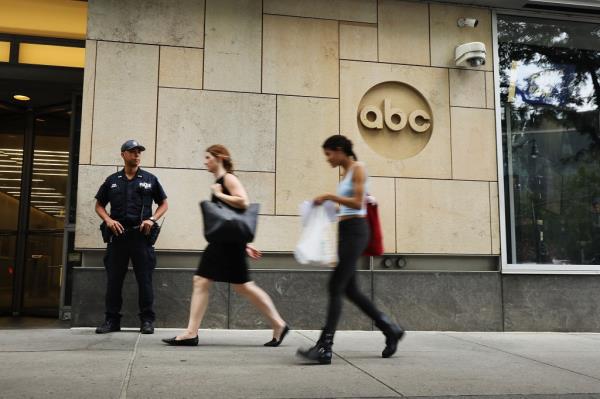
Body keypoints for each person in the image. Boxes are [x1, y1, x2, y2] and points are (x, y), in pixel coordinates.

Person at [162, 144, 289, 346]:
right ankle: (278, 324)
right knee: (229, 285)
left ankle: (191, 333)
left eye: (208, 157)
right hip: (227, 243)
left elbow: (243, 202)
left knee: (219, 283)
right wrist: (245, 245)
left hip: (225, 245)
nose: (205, 161)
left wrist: (218, 194)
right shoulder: (221, 180)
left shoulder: (228, 178)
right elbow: (231, 219)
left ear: (219, 157)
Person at [297, 135, 404, 364]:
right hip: (346, 231)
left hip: (356, 232)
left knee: (336, 286)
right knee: (351, 290)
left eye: (328, 154)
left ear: (339, 150)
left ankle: (325, 347)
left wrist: (328, 196)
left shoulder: (358, 168)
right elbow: (348, 208)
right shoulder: (346, 173)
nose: (327, 159)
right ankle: (390, 329)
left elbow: (357, 204)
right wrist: (329, 210)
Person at [94, 140, 168, 334]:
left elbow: (164, 204)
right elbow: (99, 205)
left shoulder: (150, 179)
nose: (136, 155)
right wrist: (108, 220)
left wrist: (151, 219)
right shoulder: (112, 181)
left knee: (144, 280)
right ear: (123, 155)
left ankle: (147, 321)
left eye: (139, 152)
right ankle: (111, 321)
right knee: (114, 280)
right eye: (132, 152)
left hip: (141, 238)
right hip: (117, 237)